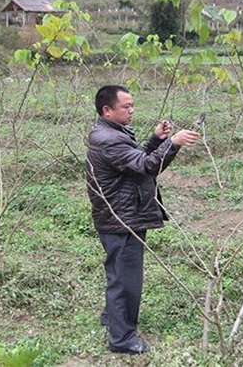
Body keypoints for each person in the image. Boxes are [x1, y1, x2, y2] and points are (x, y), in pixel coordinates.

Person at [85, 85, 200, 354]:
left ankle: (111, 318)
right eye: (126, 106)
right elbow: (145, 167)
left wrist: (156, 140)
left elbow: (134, 159)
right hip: (122, 219)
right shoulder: (110, 139)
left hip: (120, 215)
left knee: (119, 273)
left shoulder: (110, 133)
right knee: (125, 279)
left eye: (132, 105)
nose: (132, 110)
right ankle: (122, 339)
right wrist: (173, 143)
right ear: (107, 110)